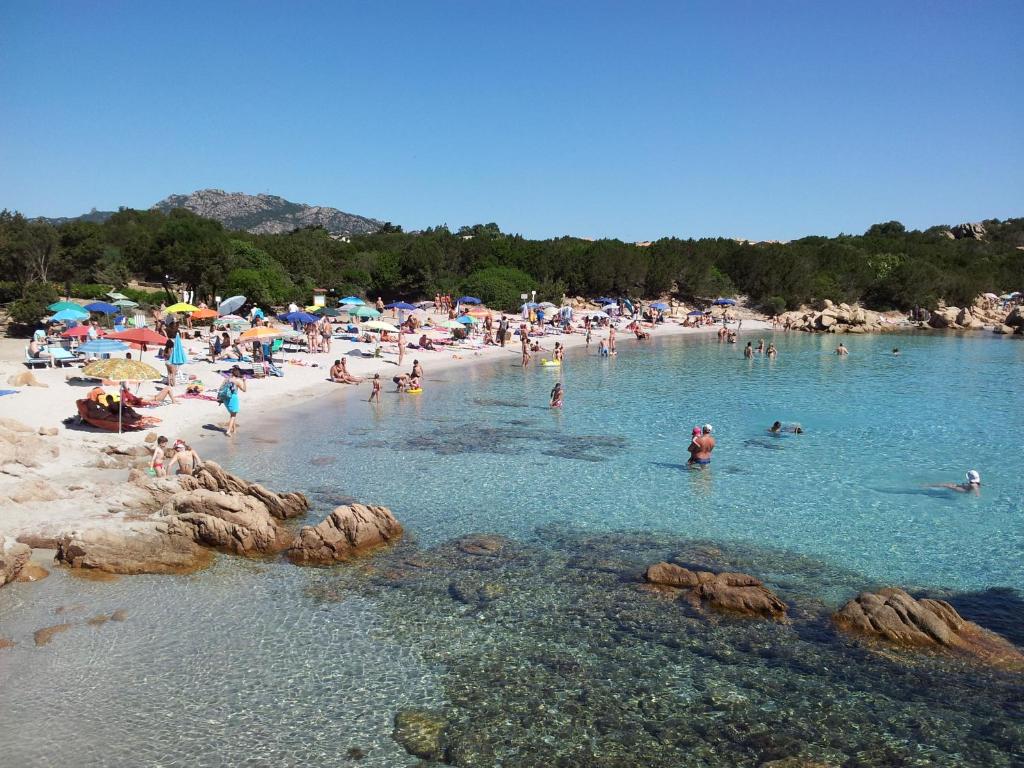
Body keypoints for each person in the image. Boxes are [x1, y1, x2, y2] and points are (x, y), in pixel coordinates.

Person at [220, 366, 246, 436]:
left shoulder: (226, 379)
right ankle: (228, 431)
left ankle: (234, 430)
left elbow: (221, 388)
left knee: (232, 414)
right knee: (233, 415)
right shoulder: (237, 381)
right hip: (233, 398)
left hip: (225, 398)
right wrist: (244, 381)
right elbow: (244, 390)